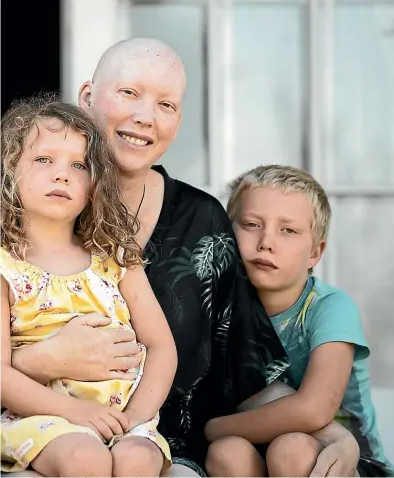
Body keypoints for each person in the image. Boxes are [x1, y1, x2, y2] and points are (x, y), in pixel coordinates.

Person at [6, 38, 358, 477]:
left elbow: (244, 365)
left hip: (156, 446)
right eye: (129, 93)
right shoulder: (12, 231)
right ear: (88, 97)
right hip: (30, 437)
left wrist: (334, 430)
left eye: (166, 105)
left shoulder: (202, 221)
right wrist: (38, 361)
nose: (145, 117)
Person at [0, 96, 177, 477]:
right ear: (10, 171)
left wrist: (135, 419)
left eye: (78, 165)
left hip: (124, 415)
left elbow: (162, 346)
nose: (61, 174)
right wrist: (78, 413)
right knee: (86, 457)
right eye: (44, 160)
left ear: (95, 186)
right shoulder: (4, 267)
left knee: (136, 461)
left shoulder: (114, 258)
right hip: (43, 417)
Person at [204, 165, 394, 477]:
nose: (266, 242)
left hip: (345, 457)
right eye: (252, 224)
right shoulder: (216, 308)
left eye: (288, 230)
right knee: (226, 452)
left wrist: (212, 428)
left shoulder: (329, 307)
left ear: (315, 253)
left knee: (289, 448)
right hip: (255, 446)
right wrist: (218, 436)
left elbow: (313, 410)